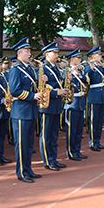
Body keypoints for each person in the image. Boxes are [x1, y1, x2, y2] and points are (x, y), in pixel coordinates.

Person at [8, 37, 43, 182]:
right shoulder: (16, 70)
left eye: (29, 51)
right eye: (27, 51)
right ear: (19, 53)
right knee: (21, 144)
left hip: (30, 110)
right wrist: (32, 95)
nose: (30, 54)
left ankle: (28, 169)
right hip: (21, 111)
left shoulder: (29, 69)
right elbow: (15, 90)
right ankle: (21, 172)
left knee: (29, 144)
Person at [39, 41, 68, 170]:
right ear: (46, 54)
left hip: (56, 105)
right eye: (54, 52)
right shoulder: (42, 69)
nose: (57, 55)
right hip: (47, 105)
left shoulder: (55, 68)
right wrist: (57, 92)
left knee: (54, 134)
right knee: (46, 134)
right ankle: (47, 160)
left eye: (57, 52)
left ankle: (53, 158)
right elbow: (41, 89)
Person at [65, 49, 89, 159]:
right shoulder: (66, 71)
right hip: (72, 102)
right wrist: (70, 77)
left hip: (80, 102)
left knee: (79, 129)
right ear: (72, 59)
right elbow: (64, 85)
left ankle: (77, 150)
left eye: (80, 58)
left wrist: (79, 73)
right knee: (72, 129)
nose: (79, 60)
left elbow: (85, 82)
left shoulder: (80, 71)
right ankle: (70, 152)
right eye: (77, 58)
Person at [85, 46, 104, 150]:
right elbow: (86, 80)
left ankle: (97, 141)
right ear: (92, 56)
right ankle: (92, 142)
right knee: (93, 121)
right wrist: (91, 68)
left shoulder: (99, 67)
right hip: (94, 96)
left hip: (101, 96)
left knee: (99, 121)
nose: (100, 56)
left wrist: (103, 67)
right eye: (98, 54)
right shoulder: (88, 67)